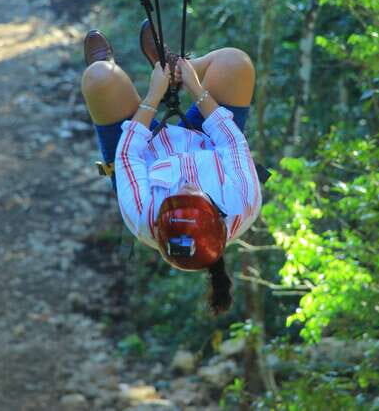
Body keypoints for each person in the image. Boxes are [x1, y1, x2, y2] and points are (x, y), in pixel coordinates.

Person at [80, 21, 262, 314]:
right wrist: (194, 86)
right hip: (208, 142)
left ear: (158, 214)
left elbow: (129, 155)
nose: (185, 184)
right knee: (235, 62)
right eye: (196, 193)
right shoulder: (242, 201)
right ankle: (177, 70)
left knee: (100, 78)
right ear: (218, 210)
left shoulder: (142, 216)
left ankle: (131, 72)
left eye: (176, 195)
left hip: (144, 152)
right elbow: (231, 142)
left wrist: (153, 96)